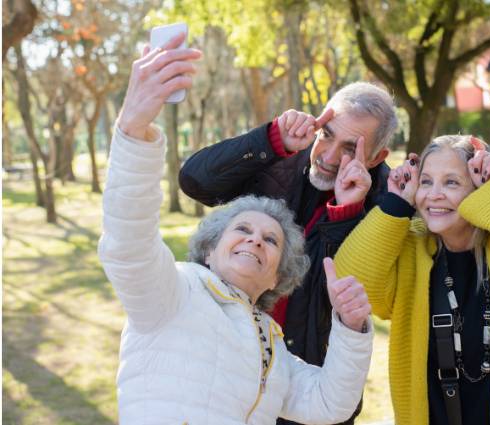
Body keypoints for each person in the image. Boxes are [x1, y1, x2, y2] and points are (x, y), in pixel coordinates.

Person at [99, 33, 374, 424]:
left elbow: (330, 403)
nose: (254, 240)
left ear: (280, 275)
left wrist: (351, 327)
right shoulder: (174, 294)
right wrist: (133, 128)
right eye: (242, 229)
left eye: (270, 240)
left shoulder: (273, 348)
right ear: (209, 249)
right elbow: (127, 243)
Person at [179, 63, 397, 424]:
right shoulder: (281, 157)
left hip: (308, 384)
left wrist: (346, 212)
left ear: (375, 158)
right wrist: (270, 140)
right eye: (325, 135)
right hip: (230, 362)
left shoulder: (385, 204)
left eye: (348, 149)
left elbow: (344, 290)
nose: (327, 156)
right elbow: (194, 181)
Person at [333, 135, 490, 425]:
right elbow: (353, 283)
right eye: (426, 182)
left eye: (451, 182)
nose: (434, 194)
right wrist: (396, 203)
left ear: (479, 189)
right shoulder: (411, 248)